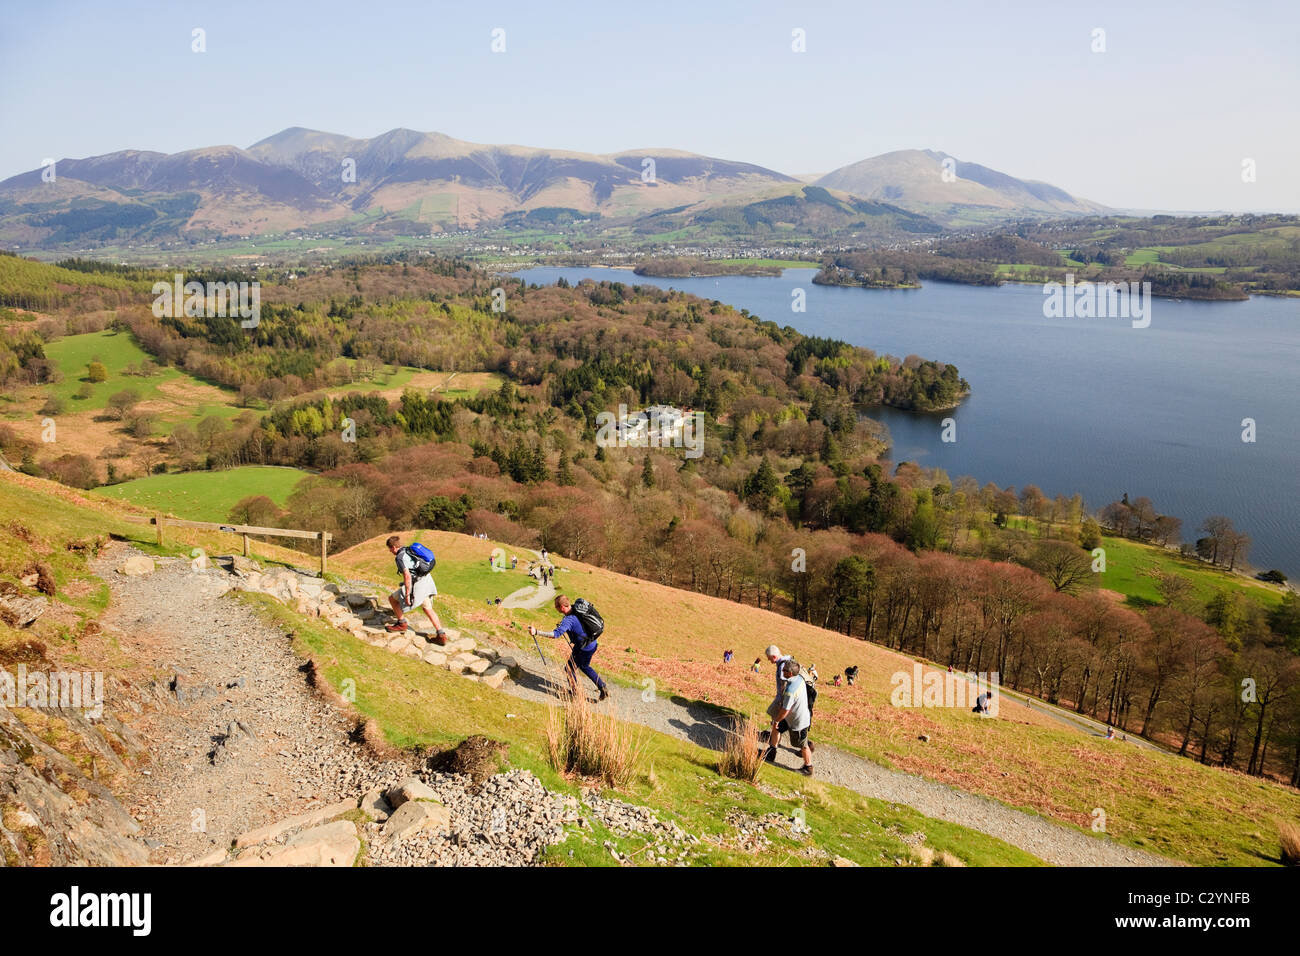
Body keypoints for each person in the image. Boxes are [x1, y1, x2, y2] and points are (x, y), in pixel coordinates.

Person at [529, 594, 609, 701]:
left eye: (556, 607)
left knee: (570, 669)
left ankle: (576, 695)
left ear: (562, 607)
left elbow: (555, 635)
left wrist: (537, 632)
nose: (556, 609)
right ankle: (601, 686)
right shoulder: (577, 610)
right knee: (583, 666)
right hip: (592, 643)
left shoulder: (569, 619)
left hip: (583, 647)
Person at [385, 535, 448, 645]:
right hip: (427, 581)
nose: (390, 551)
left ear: (394, 547)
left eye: (390, 549)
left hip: (417, 585)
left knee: (392, 599)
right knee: (427, 608)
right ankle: (441, 634)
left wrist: (408, 594)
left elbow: (407, 576)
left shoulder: (399, 557)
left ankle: (401, 624)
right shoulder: (408, 549)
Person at [766, 660, 814, 776]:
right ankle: (771, 752)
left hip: (798, 721)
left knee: (802, 744)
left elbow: (785, 710)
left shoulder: (790, 691)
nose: (782, 671)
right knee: (776, 729)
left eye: (785, 670)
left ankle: (808, 767)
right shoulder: (800, 678)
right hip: (791, 717)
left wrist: (776, 720)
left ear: (790, 673)